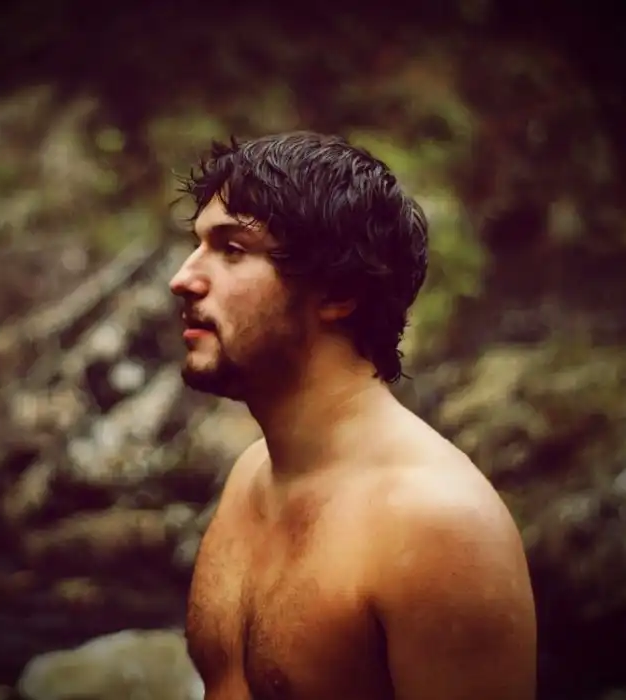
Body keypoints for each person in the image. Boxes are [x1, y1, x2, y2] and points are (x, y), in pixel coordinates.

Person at [169, 131, 537, 700]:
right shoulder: (251, 478)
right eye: (198, 245)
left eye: (232, 249)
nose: (183, 278)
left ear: (338, 291)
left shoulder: (438, 526)